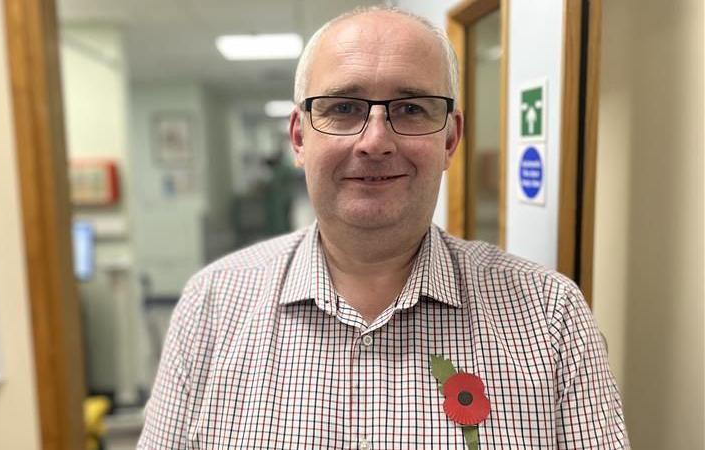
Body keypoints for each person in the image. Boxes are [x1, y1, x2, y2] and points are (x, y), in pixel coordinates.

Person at [138, 7, 629, 449]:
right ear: (299, 136)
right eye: (343, 108)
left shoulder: (551, 319)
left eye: (411, 109)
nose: (375, 141)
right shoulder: (210, 308)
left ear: (450, 139)